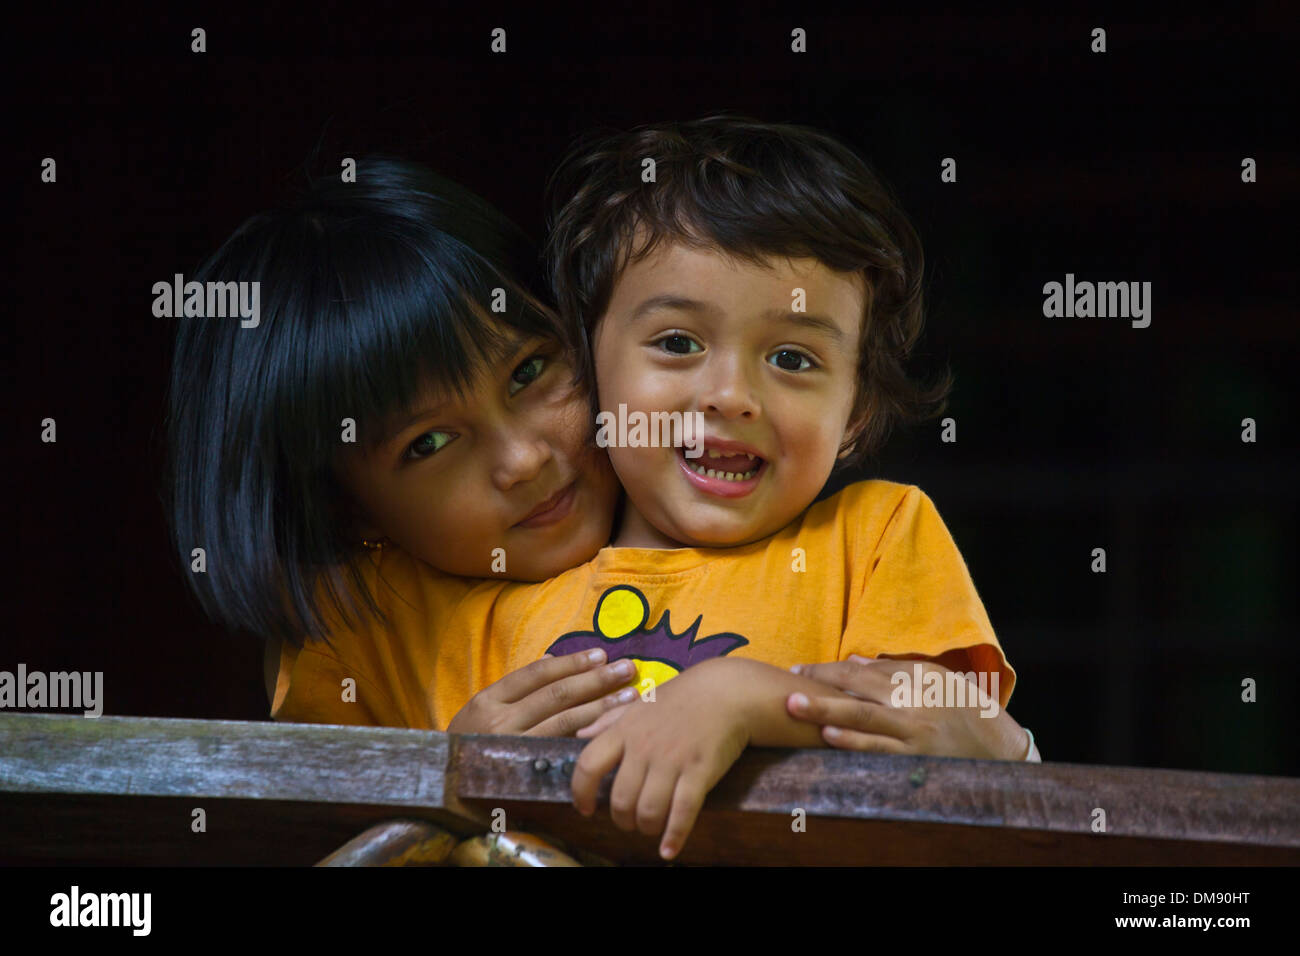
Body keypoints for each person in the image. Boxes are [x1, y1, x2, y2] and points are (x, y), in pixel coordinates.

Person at [269, 118, 1040, 861]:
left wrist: (741, 698)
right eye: (677, 343)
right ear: (591, 350)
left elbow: (959, 734)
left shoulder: (873, 535)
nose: (732, 395)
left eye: (795, 359)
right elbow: (302, 821)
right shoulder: (405, 610)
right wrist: (449, 776)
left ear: (855, 416)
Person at [164, 156, 633, 738]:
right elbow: (330, 829)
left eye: (529, 371)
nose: (524, 460)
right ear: (347, 507)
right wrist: (440, 783)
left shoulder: (731, 485)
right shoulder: (359, 649)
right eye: (429, 443)